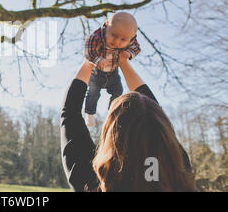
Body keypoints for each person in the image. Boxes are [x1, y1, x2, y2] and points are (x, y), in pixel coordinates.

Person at [60, 54, 195, 191]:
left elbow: (70, 113)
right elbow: (154, 122)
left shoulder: (93, 181)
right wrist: (123, 62)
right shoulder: (178, 172)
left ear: (111, 132)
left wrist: (90, 60)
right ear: (164, 132)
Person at [83, 12, 141, 127]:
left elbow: (136, 48)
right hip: (97, 73)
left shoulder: (130, 41)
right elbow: (88, 52)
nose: (117, 41)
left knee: (118, 91)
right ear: (106, 25)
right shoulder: (96, 37)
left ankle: (112, 113)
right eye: (113, 35)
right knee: (93, 92)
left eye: (123, 39)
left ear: (131, 38)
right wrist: (98, 60)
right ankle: (89, 113)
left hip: (113, 74)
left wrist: (128, 53)